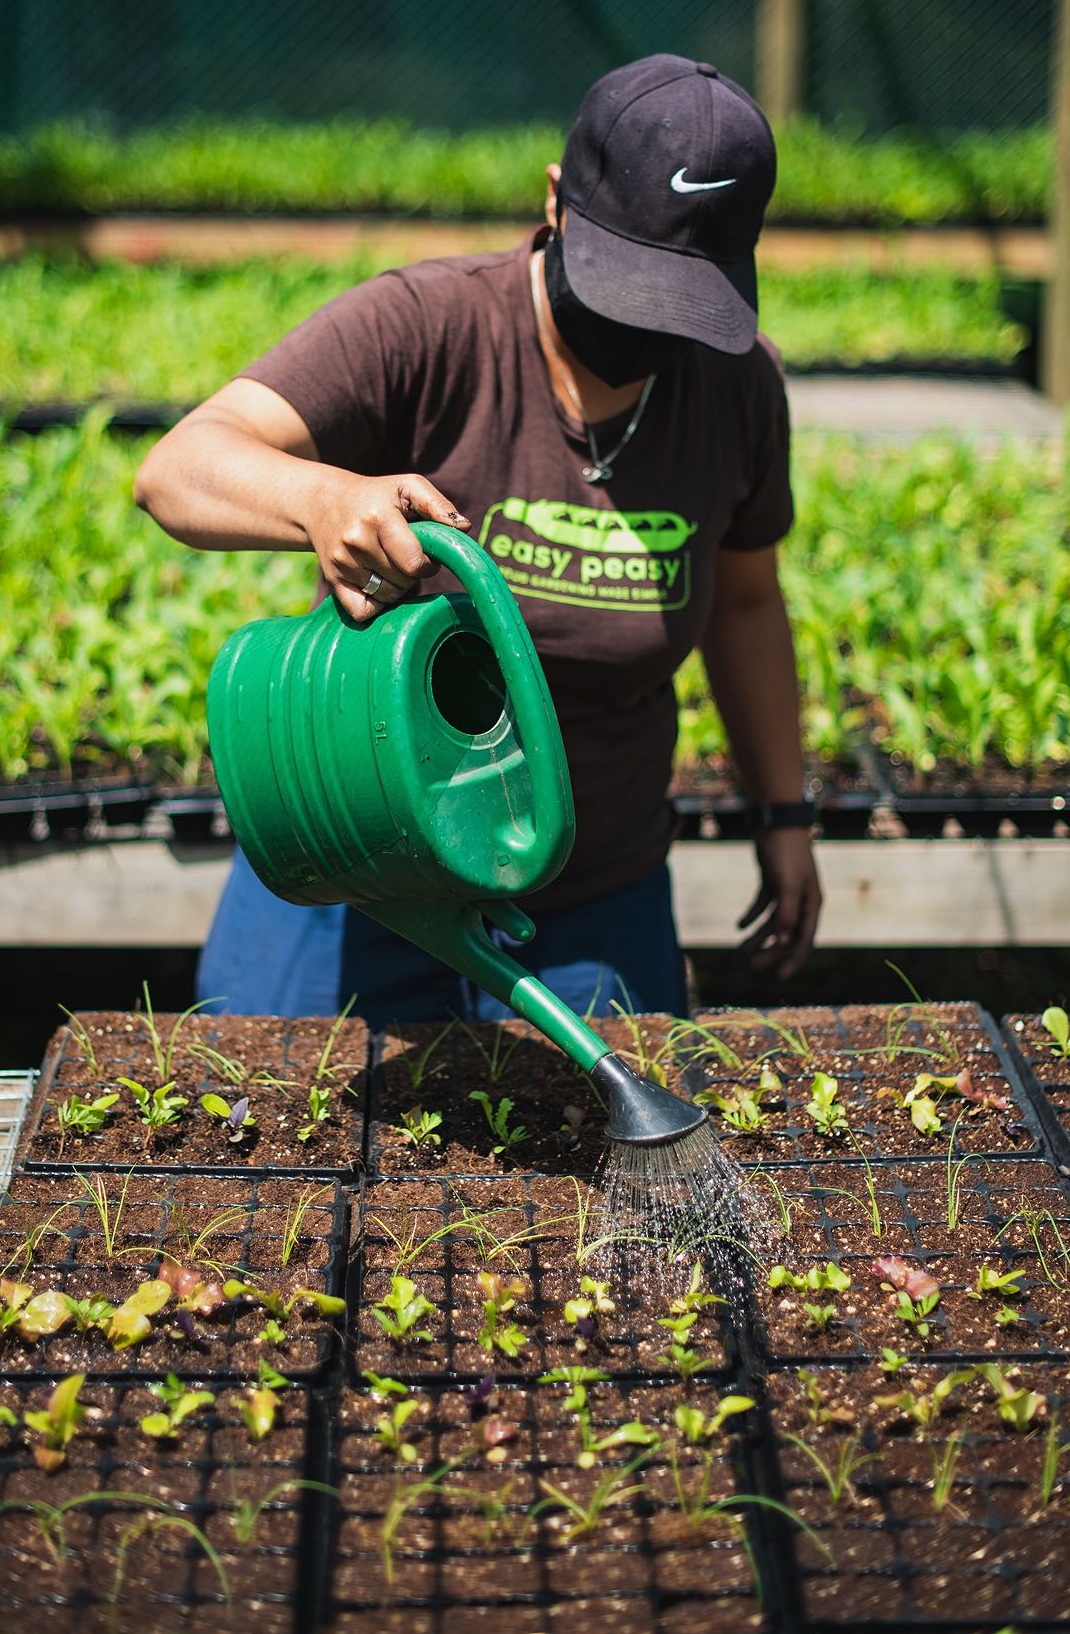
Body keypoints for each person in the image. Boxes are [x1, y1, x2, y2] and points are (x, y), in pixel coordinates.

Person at [134, 52, 823, 1027]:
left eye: (683, 299)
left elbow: (747, 599)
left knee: (586, 1166)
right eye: (628, 280)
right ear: (557, 199)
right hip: (363, 866)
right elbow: (178, 468)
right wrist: (321, 496)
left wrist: (784, 817)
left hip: (590, 897)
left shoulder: (736, 385)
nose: (647, 329)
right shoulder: (428, 326)